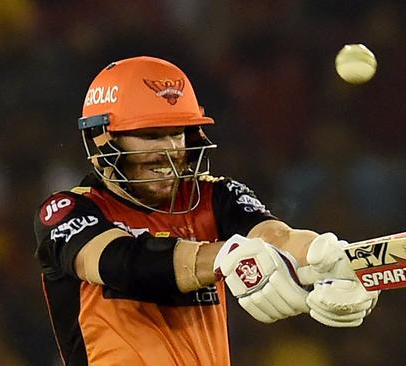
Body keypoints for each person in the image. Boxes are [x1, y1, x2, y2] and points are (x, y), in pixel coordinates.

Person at [34, 56, 378, 366]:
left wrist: (326, 258)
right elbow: (120, 262)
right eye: (151, 135)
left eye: (177, 134)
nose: (169, 151)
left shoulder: (215, 195)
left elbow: (276, 236)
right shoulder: (66, 210)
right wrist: (222, 257)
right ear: (102, 140)